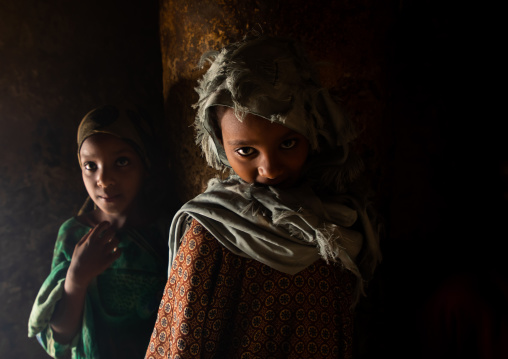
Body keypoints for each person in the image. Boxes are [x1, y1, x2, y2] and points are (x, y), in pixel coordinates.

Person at [145, 34, 382, 359]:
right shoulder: (212, 234)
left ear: (312, 129)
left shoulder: (338, 225)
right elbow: (178, 350)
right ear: (221, 147)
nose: (269, 169)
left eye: (287, 143)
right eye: (246, 151)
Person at [28, 105, 175, 359]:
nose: (104, 180)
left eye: (121, 162)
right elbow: (61, 337)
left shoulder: (167, 234)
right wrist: (77, 277)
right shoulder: (74, 234)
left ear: (146, 162)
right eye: (90, 166)